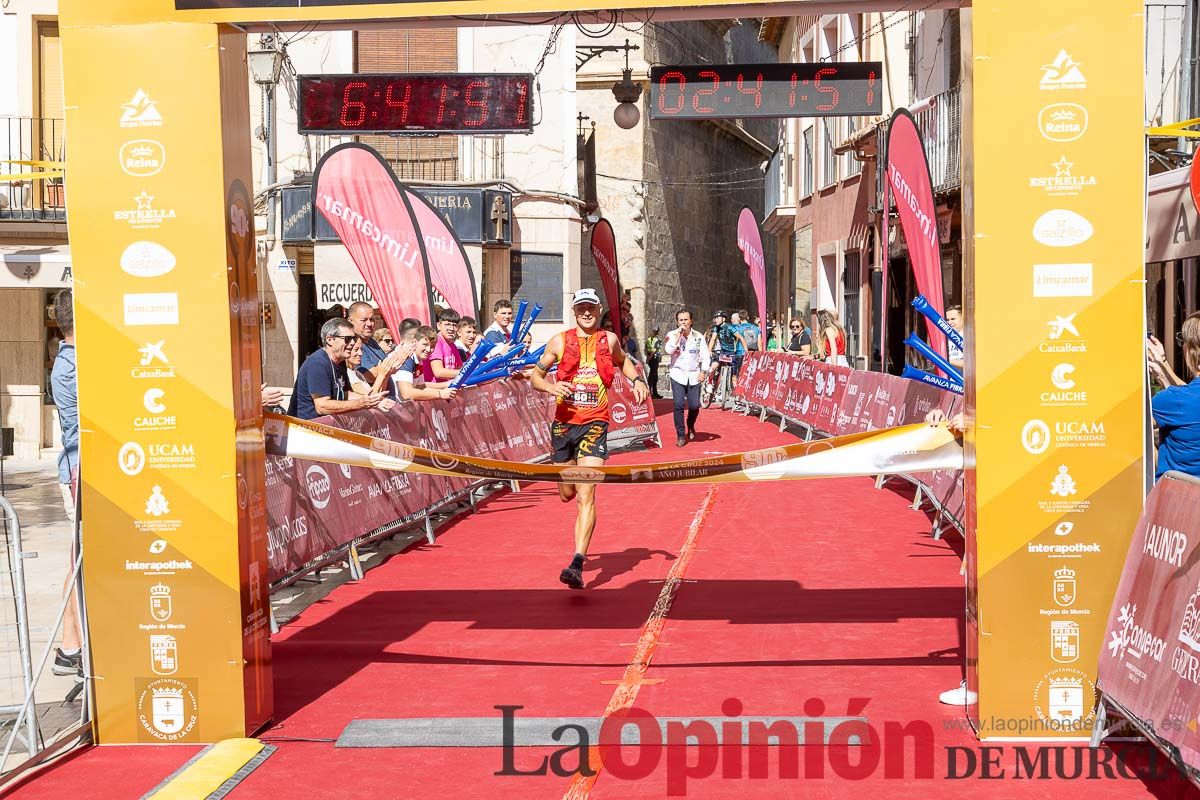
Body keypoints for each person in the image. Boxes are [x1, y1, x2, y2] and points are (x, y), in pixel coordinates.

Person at [530, 288, 648, 589]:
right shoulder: (559, 341)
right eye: (581, 307)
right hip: (564, 425)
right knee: (567, 493)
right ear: (574, 311)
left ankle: (577, 563)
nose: (586, 312)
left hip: (595, 423)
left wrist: (635, 380)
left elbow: (623, 361)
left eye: (591, 308)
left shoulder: (608, 340)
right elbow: (536, 377)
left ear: (598, 310)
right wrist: (551, 388)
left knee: (587, 494)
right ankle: (577, 548)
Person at [49, 289, 82, 680]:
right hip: (79, 471)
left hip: (81, 469)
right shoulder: (71, 366)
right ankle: (69, 646)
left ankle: (72, 645)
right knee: (80, 563)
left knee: (81, 560)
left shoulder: (74, 362)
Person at [288, 318, 383, 420]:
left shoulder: (340, 361)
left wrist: (373, 400)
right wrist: (360, 403)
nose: (352, 343)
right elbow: (322, 406)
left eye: (353, 338)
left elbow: (345, 394)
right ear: (330, 340)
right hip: (306, 430)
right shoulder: (318, 363)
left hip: (328, 428)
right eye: (347, 339)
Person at [1148, 314, 1200, 479]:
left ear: (1189, 351)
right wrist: (1163, 367)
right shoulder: (1180, 399)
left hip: (1177, 499)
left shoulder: (1170, 400)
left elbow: (1135, 435)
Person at [664, 309, 711, 447]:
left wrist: (704, 371)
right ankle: (680, 434)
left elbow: (705, 355)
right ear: (677, 322)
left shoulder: (698, 336)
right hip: (677, 374)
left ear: (691, 321)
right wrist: (678, 336)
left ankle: (690, 424)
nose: (683, 322)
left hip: (694, 374)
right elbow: (669, 350)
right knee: (678, 405)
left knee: (694, 405)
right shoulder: (672, 334)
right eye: (681, 320)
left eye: (686, 320)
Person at [397, 326, 459, 402]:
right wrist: (440, 394)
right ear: (414, 342)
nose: (429, 349)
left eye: (432, 346)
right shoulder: (406, 359)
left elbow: (422, 387)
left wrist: (447, 388)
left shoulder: (418, 360)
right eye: (425, 344)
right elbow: (406, 393)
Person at [347, 301, 388, 383]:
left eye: (372, 319)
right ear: (350, 321)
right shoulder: (353, 345)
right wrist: (395, 360)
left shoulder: (371, 341)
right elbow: (370, 376)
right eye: (364, 320)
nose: (369, 324)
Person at [425, 308, 462, 382]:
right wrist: (464, 373)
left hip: (448, 389)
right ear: (439, 325)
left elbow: (459, 367)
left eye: (454, 325)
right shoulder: (436, 342)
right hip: (435, 391)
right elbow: (438, 372)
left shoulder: (453, 345)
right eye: (447, 324)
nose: (451, 328)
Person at [644, 328, 663, 399]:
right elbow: (653, 350)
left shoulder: (651, 339)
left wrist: (648, 357)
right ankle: (650, 393)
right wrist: (648, 357)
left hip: (653, 357)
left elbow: (647, 349)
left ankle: (655, 393)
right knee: (652, 376)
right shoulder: (654, 339)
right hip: (653, 358)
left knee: (655, 376)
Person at [946, 304, 965, 371]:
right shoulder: (944, 339)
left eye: (953, 319)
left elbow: (972, 363)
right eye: (947, 320)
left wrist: (946, 360)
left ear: (962, 319)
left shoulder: (969, 338)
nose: (949, 322)